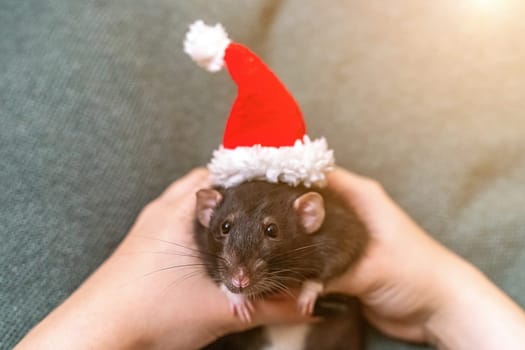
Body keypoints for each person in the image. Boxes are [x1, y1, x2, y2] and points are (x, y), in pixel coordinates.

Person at [15, 167, 525, 350]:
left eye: (272, 232)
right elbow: (222, 263)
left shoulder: (325, 228)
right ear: (209, 211)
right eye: (226, 230)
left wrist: (445, 297)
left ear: (309, 215)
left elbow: (345, 244)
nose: (240, 273)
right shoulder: (208, 239)